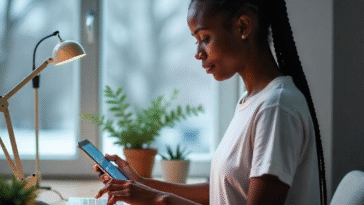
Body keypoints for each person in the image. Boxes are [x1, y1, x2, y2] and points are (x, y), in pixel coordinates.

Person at [94, 0, 327, 204]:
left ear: (243, 27)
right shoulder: (254, 101)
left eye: (205, 38)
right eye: (196, 40)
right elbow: (225, 192)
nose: (198, 53)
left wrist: (156, 200)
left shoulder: (276, 107)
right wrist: (141, 183)